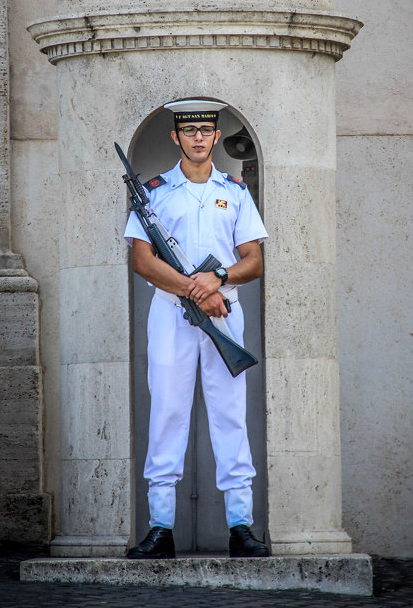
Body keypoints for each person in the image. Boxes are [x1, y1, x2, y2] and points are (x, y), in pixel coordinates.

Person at [124, 99, 269, 559]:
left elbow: (253, 260)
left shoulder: (235, 191)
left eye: (206, 130)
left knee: (229, 415)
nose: (200, 138)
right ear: (176, 138)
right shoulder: (156, 193)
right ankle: (161, 527)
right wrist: (194, 289)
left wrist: (218, 280)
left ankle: (241, 527)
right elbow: (142, 260)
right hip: (171, 314)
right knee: (167, 412)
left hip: (224, 313)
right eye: (191, 132)